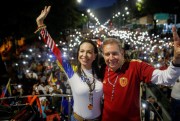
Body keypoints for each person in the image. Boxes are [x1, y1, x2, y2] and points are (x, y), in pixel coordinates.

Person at [35, 6, 103, 121]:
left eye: (89, 52)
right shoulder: (71, 72)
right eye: (81, 51)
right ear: (78, 54)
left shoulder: (103, 72)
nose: (84, 55)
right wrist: (40, 24)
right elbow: (55, 50)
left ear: (95, 55)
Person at [100, 26, 180, 121]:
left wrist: (176, 60)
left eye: (115, 53)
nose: (111, 58)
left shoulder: (136, 66)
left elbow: (166, 78)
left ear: (122, 52)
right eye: (107, 54)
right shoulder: (102, 69)